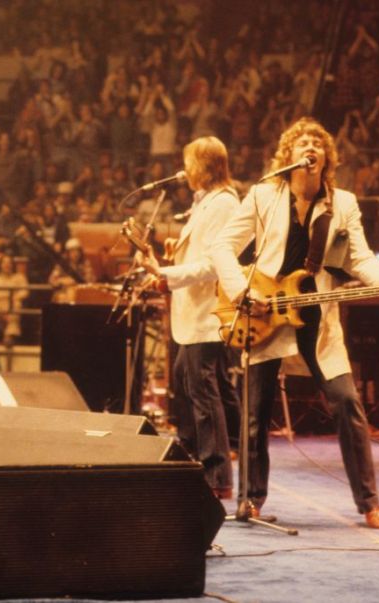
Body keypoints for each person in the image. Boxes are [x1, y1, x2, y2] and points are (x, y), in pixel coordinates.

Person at [208, 117, 379, 529]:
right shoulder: (263, 195)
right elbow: (222, 246)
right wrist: (241, 291)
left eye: (317, 143)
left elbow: (359, 260)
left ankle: (369, 502)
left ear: (326, 158)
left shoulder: (343, 203)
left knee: (347, 402)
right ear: (287, 157)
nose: (311, 147)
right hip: (265, 310)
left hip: (317, 317)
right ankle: (251, 500)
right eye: (302, 142)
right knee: (255, 410)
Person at [138, 136, 240, 501]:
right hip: (191, 314)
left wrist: (166, 274)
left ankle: (217, 476)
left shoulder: (224, 204)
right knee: (188, 384)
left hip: (206, 315)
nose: (185, 171)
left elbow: (215, 264)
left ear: (209, 166)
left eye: (191, 163)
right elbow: (198, 252)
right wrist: (172, 256)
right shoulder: (203, 204)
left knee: (203, 392)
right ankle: (195, 460)